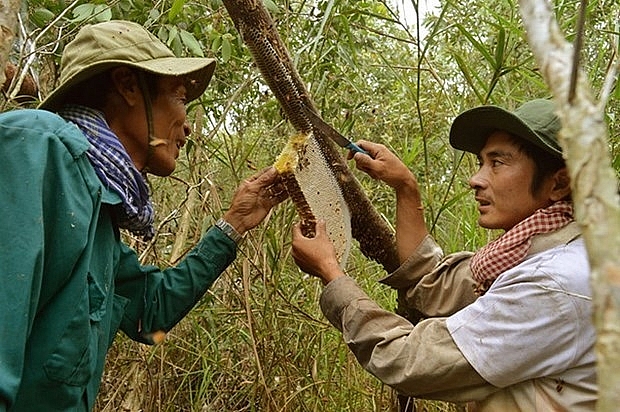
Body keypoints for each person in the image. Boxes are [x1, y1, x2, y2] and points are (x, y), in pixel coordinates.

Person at [0, 20, 286, 410]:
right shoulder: (37, 151)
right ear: (128, 86)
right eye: (180, 97)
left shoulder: (99, 214)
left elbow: (150, 311)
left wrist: (234, 223)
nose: (187, 126)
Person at [291, 99, 596, 411]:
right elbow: (433, 285)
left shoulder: (555, 284)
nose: (476, 179)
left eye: (498, 163)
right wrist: (405, 187)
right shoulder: (536, 248)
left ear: (558, 183)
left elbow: (410, 362)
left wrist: (331, 273)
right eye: (481, 163)